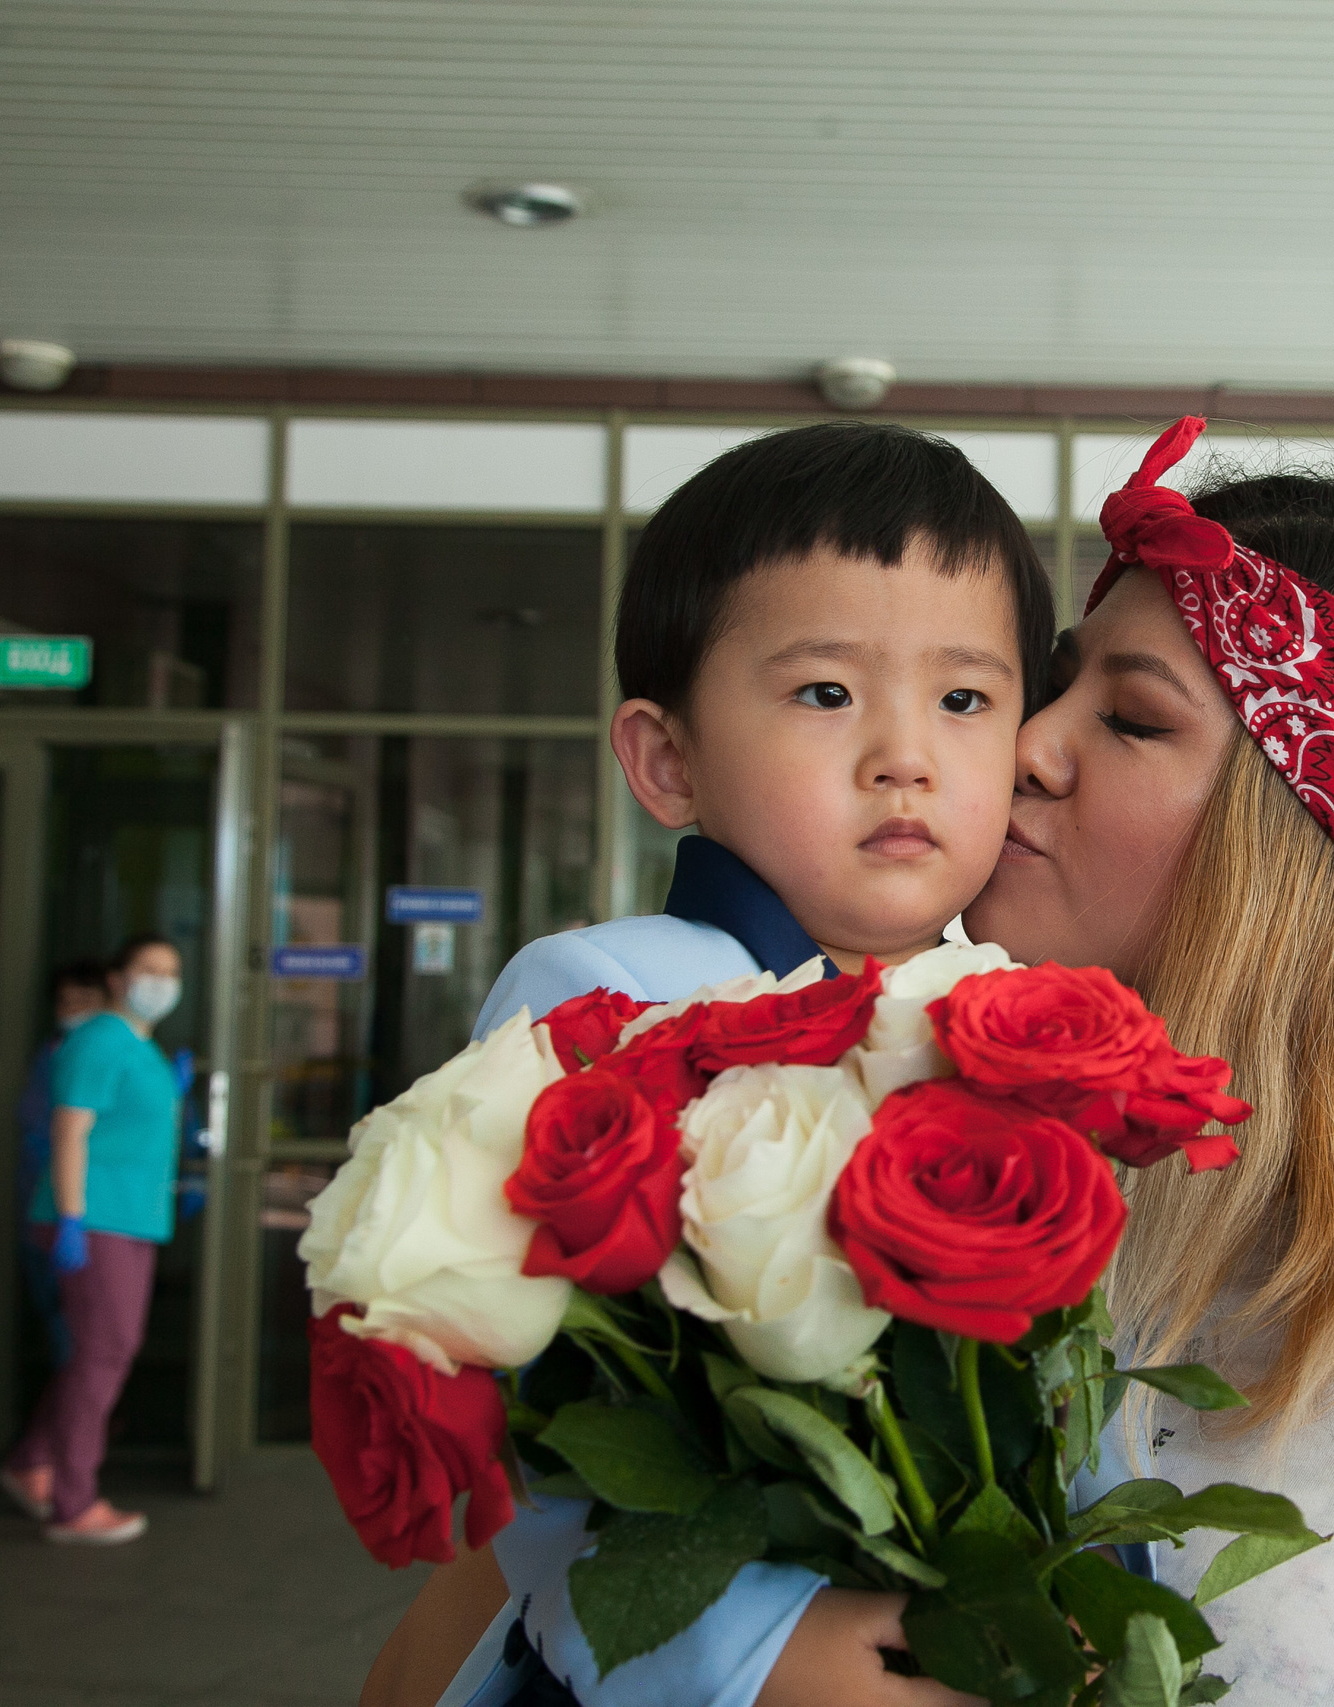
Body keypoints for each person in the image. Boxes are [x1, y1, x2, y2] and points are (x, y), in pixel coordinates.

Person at [374, 420, 1334, 1705]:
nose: (1018, 746)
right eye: (1050, 683)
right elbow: (497, 1623)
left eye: (1132, 717)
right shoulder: (809, 1149)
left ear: (1305, 846)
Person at [362, 420, 1051, 1707]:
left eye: (964, 699)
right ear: (668, 760)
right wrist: (749, 1651)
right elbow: (536, 1394)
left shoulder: (1014, 1023)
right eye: (824, 692)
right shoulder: (605, 998)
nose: (905, 752)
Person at [0, 934, 187, 1546]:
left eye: (171, 972)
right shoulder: (98, 1039)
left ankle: (32, 1463)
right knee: (104, 1354)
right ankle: (74, 1502)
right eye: (147, 970)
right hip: (97, 1219)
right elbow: (69, 1131)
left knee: (97, 1353)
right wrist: (72, 1219)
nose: (160, 982)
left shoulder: (141, 1047)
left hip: (129, 1217)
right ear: (116, 977)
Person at [17, 959, 110, 1368]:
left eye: (85, 1001)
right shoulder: (51, 1059)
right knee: (64, 1321)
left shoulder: (124, 1055)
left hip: (108, 1208)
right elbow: (39, 1130)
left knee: (102, 1331)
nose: (74, 1011)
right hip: (49, 1202)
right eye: (65, 1003)